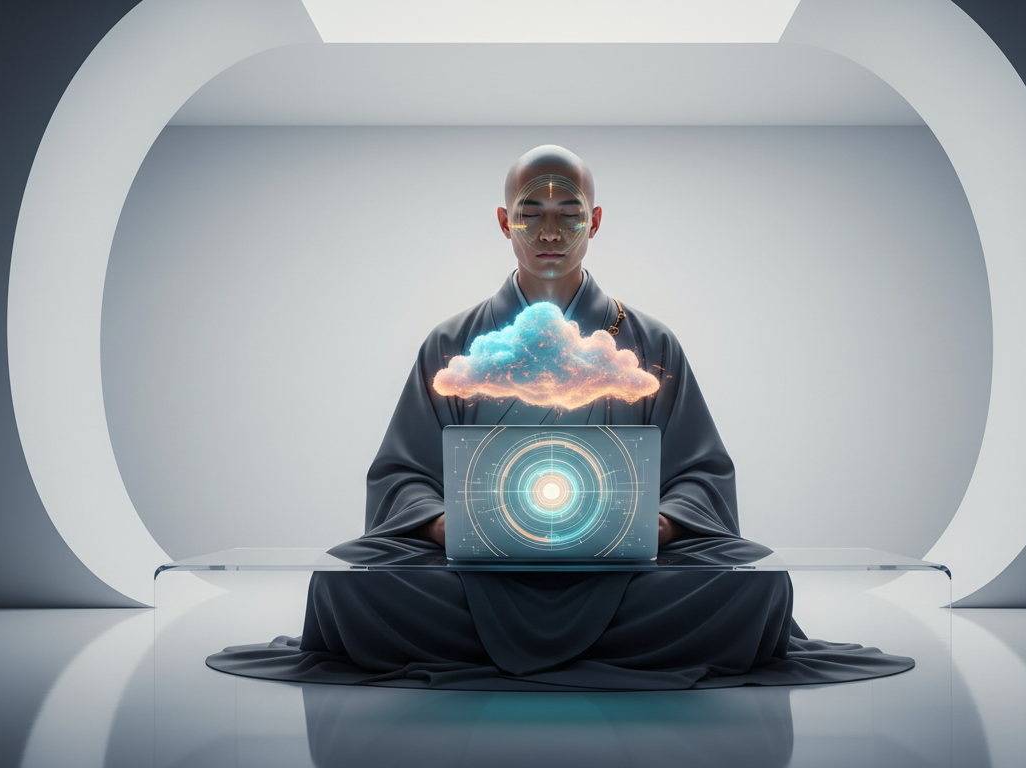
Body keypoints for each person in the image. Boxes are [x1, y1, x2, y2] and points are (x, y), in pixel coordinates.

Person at [207, 145, 913, 690]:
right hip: (478, 570)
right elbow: (401, 474)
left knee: (754, 588)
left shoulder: (650, 342)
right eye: (531, 211)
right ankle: (602, 652)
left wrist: (656, 526)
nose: (550, 229)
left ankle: (511, 654)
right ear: (503, 222)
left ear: (594, 222)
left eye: (568, 210)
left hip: (623, 570)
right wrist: (448, 525)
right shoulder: (451, 344)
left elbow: (701, 474)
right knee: (344, 586)